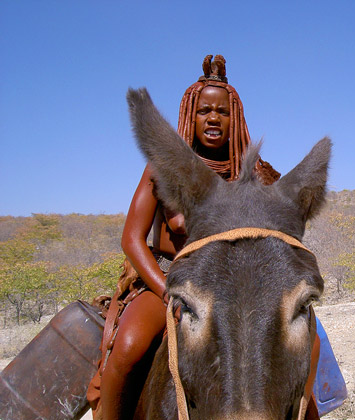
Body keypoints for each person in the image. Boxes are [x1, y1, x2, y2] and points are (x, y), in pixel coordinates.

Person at [87, 55, 281, 419]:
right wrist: (166, 291)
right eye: (205, 110)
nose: (213, 118)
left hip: (230, 285)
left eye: (222, 112)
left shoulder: (253, 175)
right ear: (190, 115)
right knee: (130, 346)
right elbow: (131, 238)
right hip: (165, 278)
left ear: (234, 117)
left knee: (306, 340)